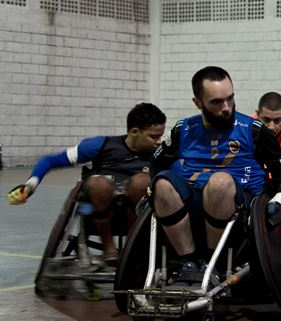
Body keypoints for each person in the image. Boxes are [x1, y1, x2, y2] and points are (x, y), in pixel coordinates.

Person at [148, 66, 281, 277]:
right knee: (162, 184)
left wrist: (278, 200)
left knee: (220, 182)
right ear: (198, 102)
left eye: (230, 98)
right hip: (193, 200)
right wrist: (150, 191)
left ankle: (214, 264)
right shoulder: (183, 129)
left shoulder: (253, 130)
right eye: (217, 102)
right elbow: (156, 162)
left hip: (239, 203)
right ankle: (189, 263)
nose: (227, 107)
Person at [7, 103, 167, 265]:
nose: (158, 142)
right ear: (135, 132)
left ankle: (131, 246)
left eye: (160, 136)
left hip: (140, 211)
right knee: (99, 183)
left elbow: (179, 180)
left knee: (142, 181)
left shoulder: (161, 154)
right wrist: (30, 187)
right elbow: (50, 161)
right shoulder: (99, 145)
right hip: (97, 207)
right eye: (153, 137)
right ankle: (109, 248)